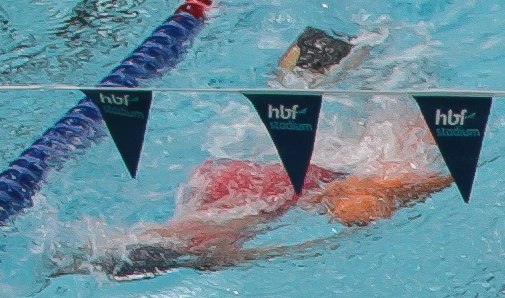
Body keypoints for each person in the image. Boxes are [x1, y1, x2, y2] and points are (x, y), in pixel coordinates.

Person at [70, 29, 455, 275]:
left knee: (360, 191)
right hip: (318, 173)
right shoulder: (396, 137)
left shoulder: (250, 169)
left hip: (302, 172)